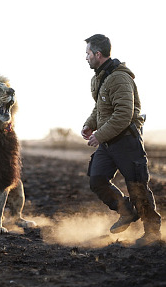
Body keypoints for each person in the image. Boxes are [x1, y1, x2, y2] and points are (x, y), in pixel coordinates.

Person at [82, 34, 161, 247]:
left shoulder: (119, 77)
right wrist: (90, 124)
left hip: (126, 141)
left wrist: (100, 134)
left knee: (137, 187)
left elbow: (123, 114)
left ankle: (152, 232)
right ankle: (126, 212)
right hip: (108, 144)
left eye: (88, 53)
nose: (85, 57)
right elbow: (101, 107)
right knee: (97, 179)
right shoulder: (100, 77)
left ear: (98, 54)